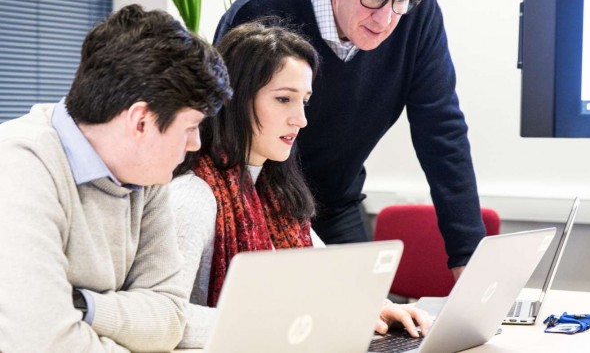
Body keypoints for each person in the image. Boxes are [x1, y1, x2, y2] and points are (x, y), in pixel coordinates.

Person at [213, 0, 486, 278]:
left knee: (370, 319)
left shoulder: (417, 17)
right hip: (258, 203)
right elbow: (221, 128)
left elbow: (443, 133)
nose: (385, 19)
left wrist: (468, 259)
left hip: (337, 202)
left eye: (401, 0)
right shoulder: (262, 13)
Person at [169, 21, 431, 348]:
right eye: (283, 99)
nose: (301, 119)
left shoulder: (275, 191)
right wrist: (270, 325)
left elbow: (325, 282)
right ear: (233, 99)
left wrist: (375, 307)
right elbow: (164, 317)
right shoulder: (193, 196)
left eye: (304, 100)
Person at [0, 4, 232, 352]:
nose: (196, 144)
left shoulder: (146, 176)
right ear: (140, 121)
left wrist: (81, 305)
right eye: (190, 127)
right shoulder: (20, 165)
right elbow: (45, 342)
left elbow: (169, 319)